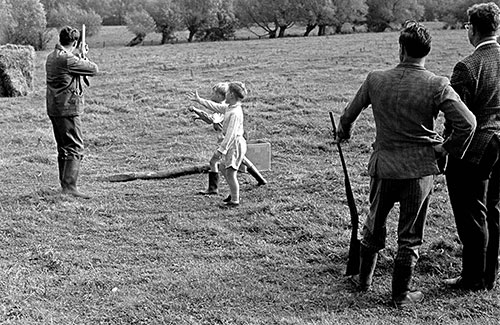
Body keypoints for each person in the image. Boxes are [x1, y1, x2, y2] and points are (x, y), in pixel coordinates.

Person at [337, 21, 476, 308]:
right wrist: (444, 148)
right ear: (427, 51)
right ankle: (401, 294)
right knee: (410, 235)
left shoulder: (375, 79)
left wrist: (344, 133)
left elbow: (348, 115)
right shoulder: (437, 84)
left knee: (373, 225)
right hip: (419, 170)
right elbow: (468, 123)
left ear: (401, 49)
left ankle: (363, 280)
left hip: (384, 166)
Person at [444, 2, 500, 291]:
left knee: (470, 213)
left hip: (474, 148)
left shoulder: (467, 66)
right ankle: (490, 274)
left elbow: (457, 117)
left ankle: (473, 276)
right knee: (493, 208)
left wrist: (447, 149)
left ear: (473, 29)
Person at [46, 26, 98, 198]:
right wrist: (83, 55)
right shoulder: (68, 59)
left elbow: (74, 68)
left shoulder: (52, 56)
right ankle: (70, 187)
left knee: (64, 147)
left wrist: (79, 54)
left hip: (55, 107)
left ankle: (65, 185)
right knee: (75, 146)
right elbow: (93, 69)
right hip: (67, 108)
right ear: (74, 42)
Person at [189, 83, 267, 195]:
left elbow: (211, 119)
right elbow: (211, 110)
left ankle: (218, 190)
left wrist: (197, 110)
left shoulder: (229, 110)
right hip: (231, 141)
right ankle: (260, 179)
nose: (211, 95)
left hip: (229, 141)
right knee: (242, 160)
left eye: (213, 93)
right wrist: (199, 102)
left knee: (220, 165)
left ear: (222, 96)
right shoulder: (229, 107)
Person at [189, 82, 248, 207]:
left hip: (234, 144)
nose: (224, 95)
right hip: (231, 144)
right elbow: (215, 106)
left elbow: (231, 135)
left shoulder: (234, 113)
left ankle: (235, 200)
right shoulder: (230, 107)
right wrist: (199, 100)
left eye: (226, 93)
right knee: (222, 167)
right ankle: (232, 193)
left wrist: (221, 150)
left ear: (231, 95)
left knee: (231, 172)